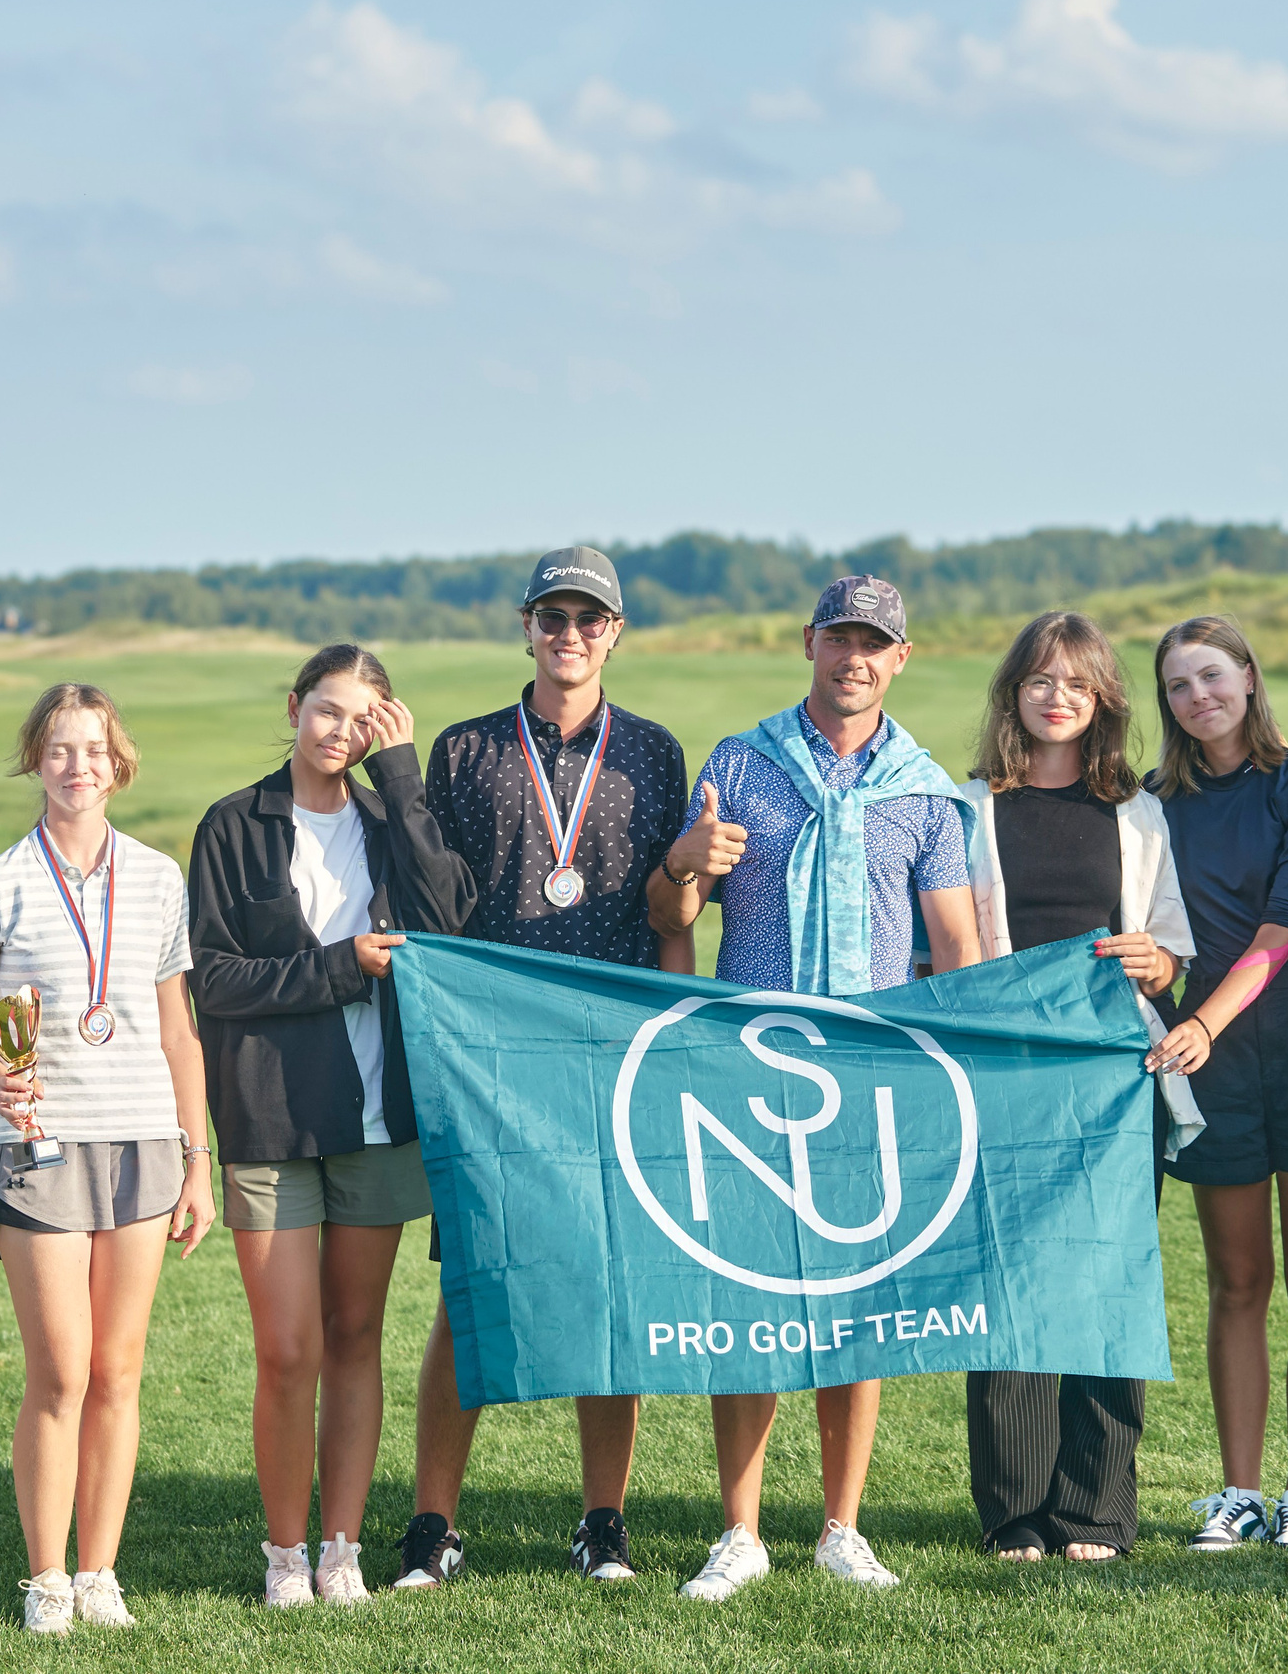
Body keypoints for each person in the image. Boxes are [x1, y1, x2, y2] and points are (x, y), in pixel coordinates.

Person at [647, 575, 984, 1601]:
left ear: (900, 659)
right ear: (808, 644)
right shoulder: (740, 765)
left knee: (854, 1304)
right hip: (746, 1074)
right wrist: (683, 859)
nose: (854, 658)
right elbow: (671, 917)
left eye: (874, 644)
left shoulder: (926, 792)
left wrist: (950, 1085)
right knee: (749, 1301)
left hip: (870, 1081)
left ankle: (842, 1525)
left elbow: (958, 953)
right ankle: (739, 1530)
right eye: (839, 639)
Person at [399, 545, 692, 1591]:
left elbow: (671, 913)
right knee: (472, 1289)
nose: (570, 635)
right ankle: (433, 1523)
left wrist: (672, 1044)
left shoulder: (654, 754)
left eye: (590, 619)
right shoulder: (466, 750)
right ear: (526, 627)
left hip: (612, 1058)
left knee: (609, 1292)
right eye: (553, 617)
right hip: (492, 1064)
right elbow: (437, 906)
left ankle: (601, 1521)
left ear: (615, 632)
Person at [189, 645, 476, 1608]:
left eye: (362, 718)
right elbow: (217, 981)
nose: (339, 731)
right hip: (270, 1119)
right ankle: (284, 1557)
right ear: (294, 706)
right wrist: (344, 967)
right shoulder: (234, 825)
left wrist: (403, 775)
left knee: (356, 1333)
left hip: (379, 1117)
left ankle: (342, 1550)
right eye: (325, 709)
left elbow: (447, 919)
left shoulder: (391, 818)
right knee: (288, 1349)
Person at [0, 683, 218, 1634]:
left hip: (142, 1141)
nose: (77, 765)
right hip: (40, 1148)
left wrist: (198, 1158)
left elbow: (180, 1031)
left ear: (118, 760)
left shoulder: (157, 877)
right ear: (36, 760)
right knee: (59, 1370)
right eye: (59, 749)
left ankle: (100, 1573)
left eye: (93, 748)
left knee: (119, 1370)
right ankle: (46, 1576)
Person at [954, 610, 1199, 1563]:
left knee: (1106, 1281)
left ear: (1103, 700)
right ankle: (1015, 1509)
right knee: (1008, 1279)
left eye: (1078, 684)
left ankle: (1096, 1509)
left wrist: (1157, 961)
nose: (1058, 697)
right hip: (1009, 1072)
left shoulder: (1135, 812)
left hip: (1112, 1075)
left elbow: (1170, 945)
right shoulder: (968, 804)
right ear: (1014, 691)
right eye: (1041, 681)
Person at [1141, 619, 1288, 1554]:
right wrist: (1177, 1002)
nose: (1199, 696)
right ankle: (1239, 1491)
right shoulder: (1155, 800)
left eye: (1212, 675)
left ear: (1247, 675)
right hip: (1213, 1062)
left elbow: (1285, 925)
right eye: (1178, 686)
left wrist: (1204, 1017)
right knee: (1238, 1281)